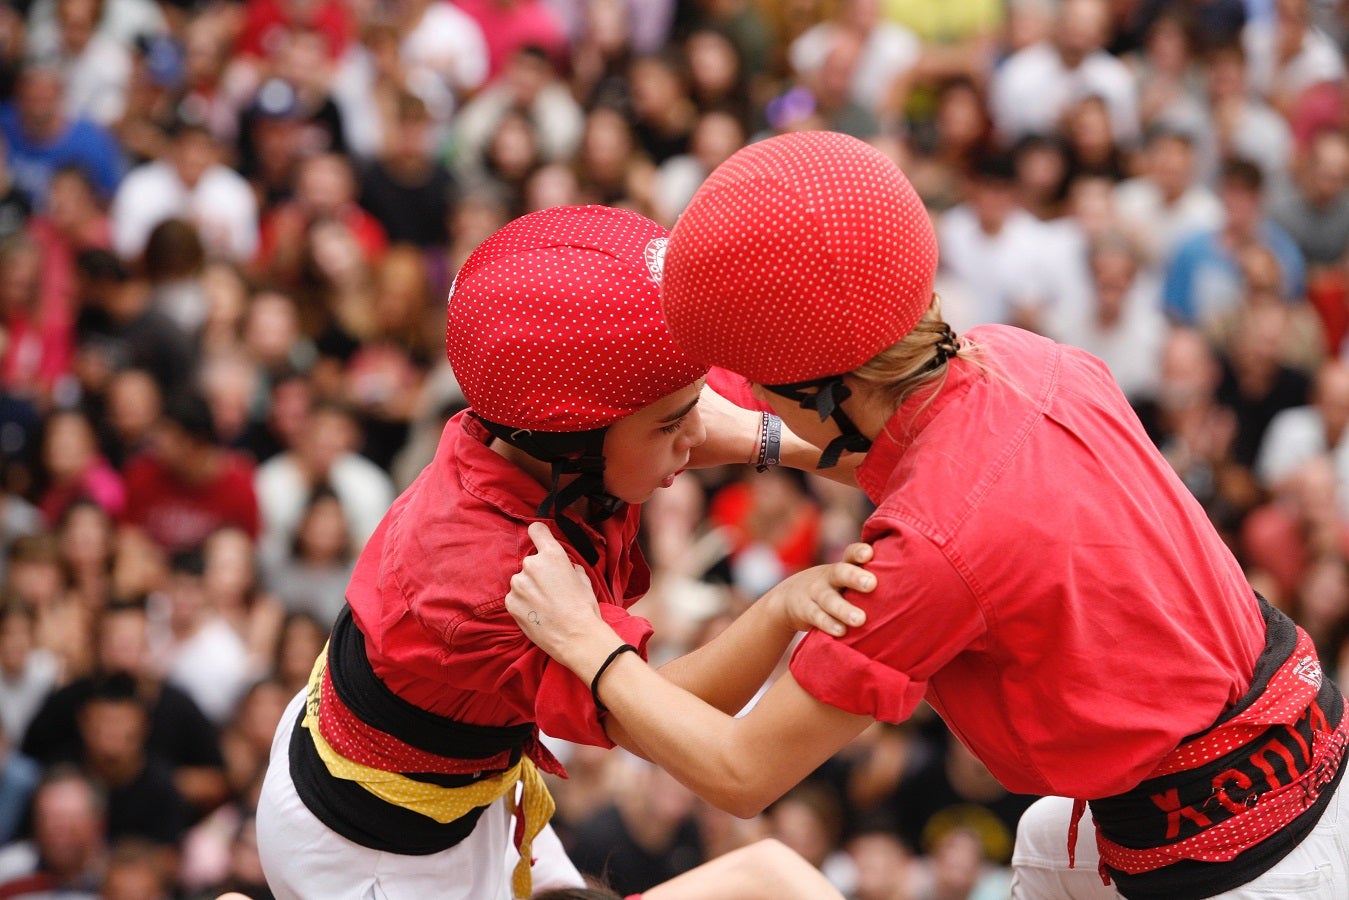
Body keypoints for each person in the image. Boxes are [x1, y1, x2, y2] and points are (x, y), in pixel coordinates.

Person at [506, 131, 1349, 899]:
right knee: (1042, 841)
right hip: (1304, 756)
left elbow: (739, 773)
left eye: (762, 385)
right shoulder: (1026, 355)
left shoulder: (924, 557)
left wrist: (587, 640)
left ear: (821, 390)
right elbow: (938, 461)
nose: (755, 397)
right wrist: (764, 438)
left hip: (1244, 866)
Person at [254, 204, 875, 900]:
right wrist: (779, 608)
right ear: (574, 438)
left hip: (456, 792)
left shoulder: (552, 431)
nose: (693, 435)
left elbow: (742, 421)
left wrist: (782, 440)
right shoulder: (491, 576)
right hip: (377, 862)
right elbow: (661, 722)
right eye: (674, 424)